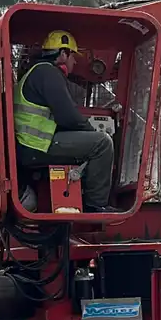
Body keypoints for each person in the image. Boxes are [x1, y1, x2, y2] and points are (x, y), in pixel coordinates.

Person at [14, 30, 114, 212]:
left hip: (29, 146)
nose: (75, 62)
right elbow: (67, 115)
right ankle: (96, 206)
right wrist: (93, 133)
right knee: (103, 143)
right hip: (37, 146)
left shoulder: (34, 73)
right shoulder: (48, 72)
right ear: (62, 54)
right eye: (72, 56)